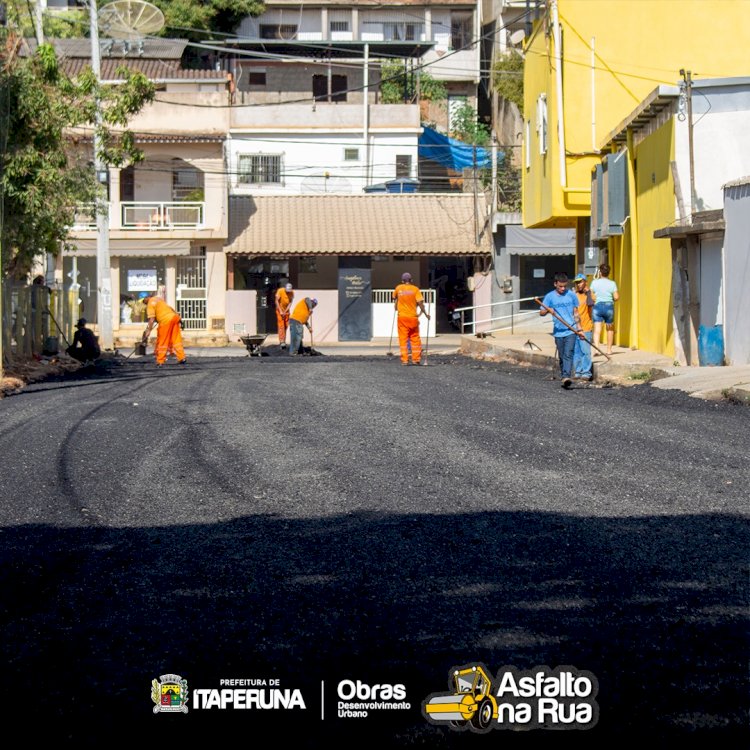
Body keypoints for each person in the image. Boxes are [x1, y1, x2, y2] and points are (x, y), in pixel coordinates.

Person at [539, 272, 582, 389]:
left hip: (571, 329)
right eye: (560, 286)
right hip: (558, 331)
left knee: (569, 354)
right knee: (562, 356)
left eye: (565, 286)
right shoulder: (549, 297)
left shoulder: (572, 295)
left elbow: (576, 313)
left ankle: (567, 376)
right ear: (555, 284)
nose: (563, 289)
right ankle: (564, 376)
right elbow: (541, 312)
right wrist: (548, 310)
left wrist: (580, 329)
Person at [392, 272, 430, 365]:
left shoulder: (398, 288)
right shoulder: (415, 289)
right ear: (411, 280)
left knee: (403, 339)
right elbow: (421, 304)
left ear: (402, 281)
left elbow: (395, 299)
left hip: (402, 318)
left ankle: (405, 360)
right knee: (415, 338)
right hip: (413, 318)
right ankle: (416, 359)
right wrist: (425, 314)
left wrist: (396, 306)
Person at [141, 295, 186, 366]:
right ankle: (182, 358)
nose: (144, 303)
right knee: (176, 339)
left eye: (144, 301)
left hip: (166, 321)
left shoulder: (150, 303)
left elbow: (151, 319)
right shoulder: (158, 299)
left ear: (146, 298)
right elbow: (171, 309)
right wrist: (180, 320)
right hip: (174, 318)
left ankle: (160, 361)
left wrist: (148, 330)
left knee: (162, 340)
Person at [590, 263, 619, 356]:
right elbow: (616, 297)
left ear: (600, 272)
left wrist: (596, 297)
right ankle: (609, 350)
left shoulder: (594, 282)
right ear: (609, 272)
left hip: (597, 307)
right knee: (609, 329)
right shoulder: (612, 283)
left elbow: (592, 296)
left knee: (597, 329)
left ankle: (597, 350)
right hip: (608, 306)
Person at [572, 273, 594, 381]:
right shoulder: (574, 295)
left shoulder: (589, 295)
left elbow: (590, 304)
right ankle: (578, 371)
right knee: (577, 352)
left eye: (580, 282)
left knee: (586, 351)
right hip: (575, 328)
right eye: (577, 282)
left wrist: (588, 292)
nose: (578, 284)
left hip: (586, 328)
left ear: (585, 282)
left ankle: (586, 373)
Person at [275, 282, 294, 349]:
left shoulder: (292, 293)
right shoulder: (280, 291)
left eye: (289, 291)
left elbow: (290, 303)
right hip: (279, 311)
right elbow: (276, 301)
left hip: (286, 312)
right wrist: (280, 310)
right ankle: (282, 341)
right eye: (287, 291)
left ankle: (284, 340)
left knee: (286, 326)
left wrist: (285, 311)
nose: (288, 293)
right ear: (285, 288)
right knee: (281, 326)